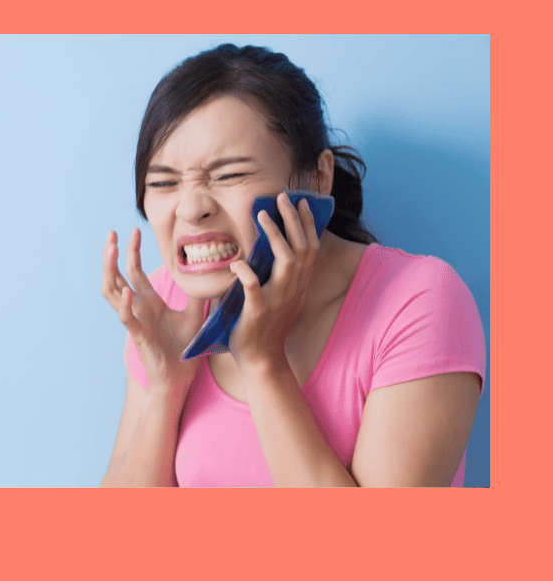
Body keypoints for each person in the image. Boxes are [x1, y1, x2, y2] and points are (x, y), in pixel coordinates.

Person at [100, 44, 484, 487]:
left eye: (228, 175)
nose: (191, 208)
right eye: (164, 182)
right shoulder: (169, 303)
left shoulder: (419, 302)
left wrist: (263, 362)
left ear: (317, 177)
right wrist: (166, 387)